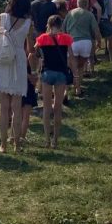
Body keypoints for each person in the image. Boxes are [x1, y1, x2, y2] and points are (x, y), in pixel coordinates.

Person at [0, 0, 35, 154]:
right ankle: (16, 144)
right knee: (17, 107)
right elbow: (31, 49)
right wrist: (34, 70)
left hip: (3, 60)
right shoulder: (28, 23)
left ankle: (3, 144)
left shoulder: (2, 18)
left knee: (3, 106)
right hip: (19, 62)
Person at [34, 15, 73, 148]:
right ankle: (55, 140)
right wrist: (75, 74)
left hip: (47, 72)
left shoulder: (42, 38)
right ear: (60, 24)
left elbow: (35, 50)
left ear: (49, 24)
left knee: (46, 107)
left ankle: (46, 140)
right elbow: (71, 57)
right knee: (57, 108)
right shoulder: (66, 38)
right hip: (61, 74)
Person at [64, 0, 101, 97]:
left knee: (71, 66)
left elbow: (63, 29)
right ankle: (78, 89)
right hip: (86, 42)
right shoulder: (89, 15)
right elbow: (95, 29)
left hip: (72, 42)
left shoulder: (69, 14)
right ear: (87, 4)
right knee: (80, 67)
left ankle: (66, 91)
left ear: (77, 3)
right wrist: (99, 41)